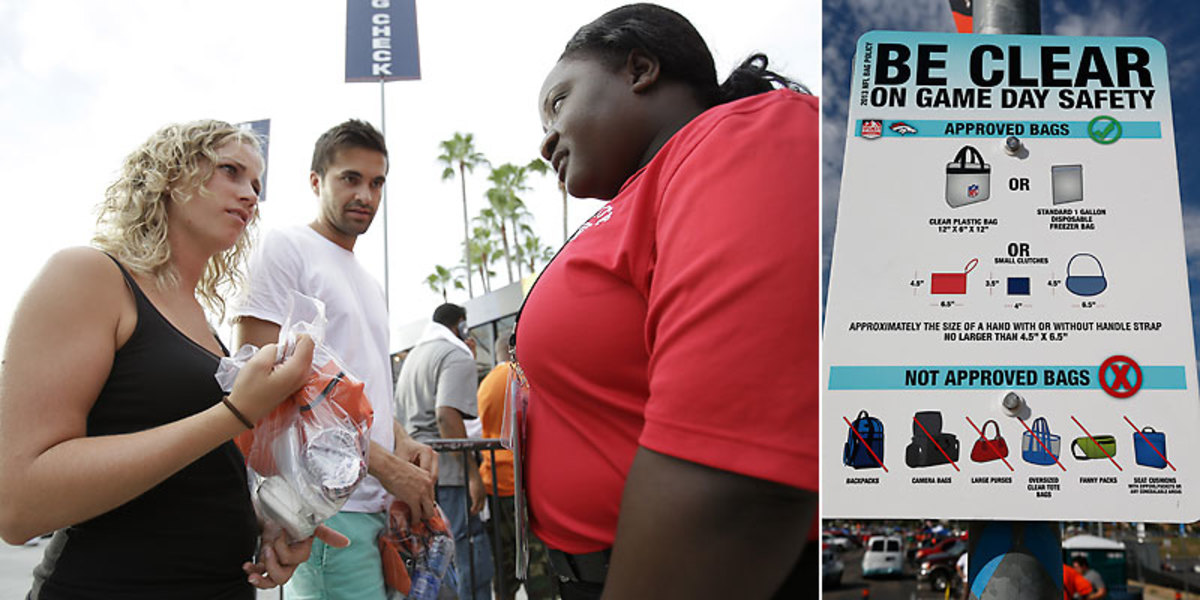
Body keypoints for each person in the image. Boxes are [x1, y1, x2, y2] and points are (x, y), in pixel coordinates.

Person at [519, 4, 818, 599]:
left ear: (639, 69)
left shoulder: (744, 135)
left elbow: (739, 480)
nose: (545, 139)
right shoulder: (644, 192)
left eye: (558, 103)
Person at [0, 120, 340, 599]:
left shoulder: (204, 325)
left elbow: (181, 472)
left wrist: (267, 520)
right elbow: (20, 505)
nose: (250, 195)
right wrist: (235, 414)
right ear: (171, 176)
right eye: (230, 171)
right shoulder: (88, 275)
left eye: (257, 185)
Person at [232, 119, 437, 600]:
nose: (366, 194)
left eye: (377, 182)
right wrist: (386, 466)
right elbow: (255, 387)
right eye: (350, 178)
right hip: (325, 507)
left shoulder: (370, 281)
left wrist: (402, 442)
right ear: (315, 181)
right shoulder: (285, 247)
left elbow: (366, 388)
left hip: (376, 508)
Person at [395, 303, 493, 600]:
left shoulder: (414, 358)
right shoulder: (455, 353)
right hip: (449, 473)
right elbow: (445, 415)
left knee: (437, 561)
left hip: (418, 471)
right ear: (461, 326)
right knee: (469, 555)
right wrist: (472, 476)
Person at [477, 331, 558, 600]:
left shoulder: (486, 384)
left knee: (504, 564)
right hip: (523, 482)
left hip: (495, 484)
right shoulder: (524, 379)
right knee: (537, 565)